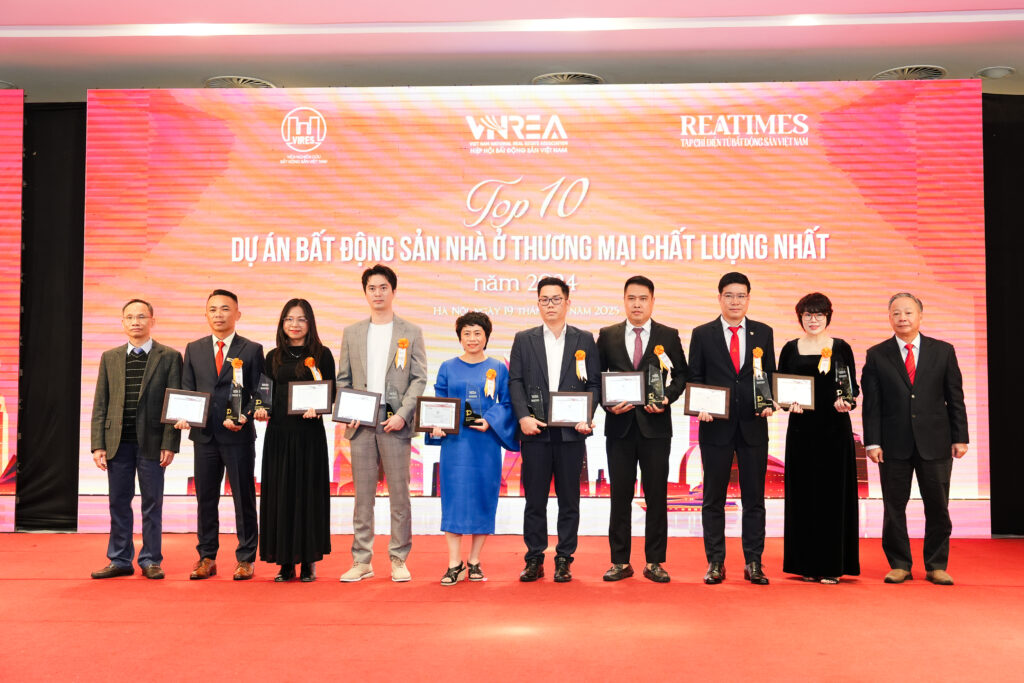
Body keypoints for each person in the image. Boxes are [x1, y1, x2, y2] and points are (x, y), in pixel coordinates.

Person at [861, 292, 969, 585]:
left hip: (936, 442)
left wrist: (960, 437)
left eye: (908, 312)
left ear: (920, 316)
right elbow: (872, 404)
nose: (902, 318)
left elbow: (955, 398)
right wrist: (873, 442)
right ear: (889, 317)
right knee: (894, 507)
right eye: (896, 313)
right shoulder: (876, 354)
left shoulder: (943, 351)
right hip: (892, 444)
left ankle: (936, 565)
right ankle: (899, 564)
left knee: (938, 506)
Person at [336, 264, 427, 582]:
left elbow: (419, 379)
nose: (378, 293)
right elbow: (343, 379)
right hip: (361, 423)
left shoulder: (411, 331)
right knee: (363, 497)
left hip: (395, 422)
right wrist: (348, 410)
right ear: (365, 293)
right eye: (372, 288)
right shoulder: (352, 332)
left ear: (393, 291)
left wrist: (403, 414)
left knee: (400, 496)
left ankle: (399, 558)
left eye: (383, 287)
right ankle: (362, 560)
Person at [509, 276, 601, 583]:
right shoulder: (524, 339)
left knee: (569, 500)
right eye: (544, 300)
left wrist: (586, 416)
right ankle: (534, 558)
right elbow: (515, 381)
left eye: (556, 299)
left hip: (571, 433)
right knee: (535, 500)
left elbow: (594, 383)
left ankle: (564, 558)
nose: (550, 305)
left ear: (567, 303)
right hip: (535, 431)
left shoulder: (584, 339)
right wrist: (523, 417)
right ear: (538, 304)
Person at [597, 276, 688, 583]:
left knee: (657, 496)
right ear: (624, 301)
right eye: (631, 298)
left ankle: (655, 561)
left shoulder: (668, 335)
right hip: (619, 427)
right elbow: (596, 378)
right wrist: (607, 405)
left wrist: (667, 398)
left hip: (656, 428)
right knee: (619, 497)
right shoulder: (607, 335)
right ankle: (620, 561)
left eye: (643, 298)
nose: (637, 304)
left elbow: (681, 376)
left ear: (652, 301)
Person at [688, 272, 776, 585]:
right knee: (713, 498)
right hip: (715, 427)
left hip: (753, 426)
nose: (735, 301)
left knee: (754, 499)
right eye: (729, 295)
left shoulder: (763, 332)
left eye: (741, 296)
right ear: (719, 298)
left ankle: (754, 562)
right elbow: (695, 377)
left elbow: (769, 375)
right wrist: (699, 406)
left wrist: (770, 401)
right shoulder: (702, 334)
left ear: (748, 299)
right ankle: (715, 562)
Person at [89, 299, 182, 580]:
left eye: (141, 316)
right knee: (118, 501)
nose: (135, 322)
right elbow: (101, 403)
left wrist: (170, 442)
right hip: (117, 443)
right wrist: (98, 444)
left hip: (152, 443)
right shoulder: (110, 357)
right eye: (129, 317)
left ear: (152, 320)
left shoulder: (169, 356)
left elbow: (175, 402)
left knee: (152, 503)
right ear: (122, 322)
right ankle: (119, 559)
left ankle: (151, 559)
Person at [177, 289, 265, 580]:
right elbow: (187, 389)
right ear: (205, 314)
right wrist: (183, 415)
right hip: (204, 436)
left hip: (238, 436)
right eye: (213, 309)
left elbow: (260, 392)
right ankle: (206, 557)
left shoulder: (252, 349)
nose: (218, 314)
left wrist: (245, 415)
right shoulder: (194, 348)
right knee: (205, 499)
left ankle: (246, 558)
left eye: (225, 309)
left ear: (237, 314)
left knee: (244, 498)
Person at [426, 312, 518, 585]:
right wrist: (436, 425)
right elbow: (439, 401)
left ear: (486, 337)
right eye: (466, 333)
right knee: (454, 498)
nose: (472, 338)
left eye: (478, 333)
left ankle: (474, 560)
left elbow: (507, 403)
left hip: (485, 444)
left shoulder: (498, 367)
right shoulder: (447, 367)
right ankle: (454, 563)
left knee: (483, 497)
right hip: (455, 444)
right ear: (459, 337)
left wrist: (489, 421)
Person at [777, 293, 860, 584]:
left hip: (835, 431)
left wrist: (847, 401)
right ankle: (806, 564)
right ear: (800, 317)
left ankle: (832, 565)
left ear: (828, 317)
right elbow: (780, 388)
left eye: (819, 315)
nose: (813, 320)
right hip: (801, 431)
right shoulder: (790, 348)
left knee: (833, 496)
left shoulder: (841, 347)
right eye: (808, 315)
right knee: (803, 495)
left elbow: (852, 388)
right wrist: (787, 404)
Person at [254, 299, 334, 582]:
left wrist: (320, 407)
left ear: (310, 323)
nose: (295, 325)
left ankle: (309, 560)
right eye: (289, 319)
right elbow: (264, 392)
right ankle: (285, 562)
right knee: (281, 496)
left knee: (308, 495)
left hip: (309, 436)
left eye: (301, 319)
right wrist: (260, 409)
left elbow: (331, 392)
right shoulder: (273, 356)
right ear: (282, 323)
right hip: (278, 436)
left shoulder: (322, 354)